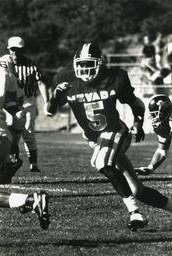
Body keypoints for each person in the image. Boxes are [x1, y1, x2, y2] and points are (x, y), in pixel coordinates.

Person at [46, 43, 172, 231]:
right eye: (82, 64)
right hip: (94, 139)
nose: (85, 69)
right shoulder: (65, 80)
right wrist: (55, 96)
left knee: (101, 162)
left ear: (100, 63)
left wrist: (137, 122)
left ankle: (134, 213)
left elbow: (135, 102)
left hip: (116, 131)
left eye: (90, 64)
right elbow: (50, 112)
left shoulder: (116, 78)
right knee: (138, 190)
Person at [6, 36, 50, 172]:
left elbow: (41, 82)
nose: (14, 53)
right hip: (10, 102)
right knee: (9, 133)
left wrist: (47, 101)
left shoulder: (31, 63)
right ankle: (10, 159)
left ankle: (33, 163)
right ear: (8, 50)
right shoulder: (4, 63)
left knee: (28, 132)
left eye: (17, 50)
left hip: (27, 101)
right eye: (12, 49)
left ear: (22, 50)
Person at [0, 56, 26, 183]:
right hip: (3, 140)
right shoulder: (7, 76)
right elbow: (17, 115)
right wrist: (14, 145)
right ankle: (6, 162)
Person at [135, 94, 172, 175]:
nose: (152, 117)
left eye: (155, 114)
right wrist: (150, 168)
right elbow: (162, 151)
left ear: (164, 111)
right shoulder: (163, 126)